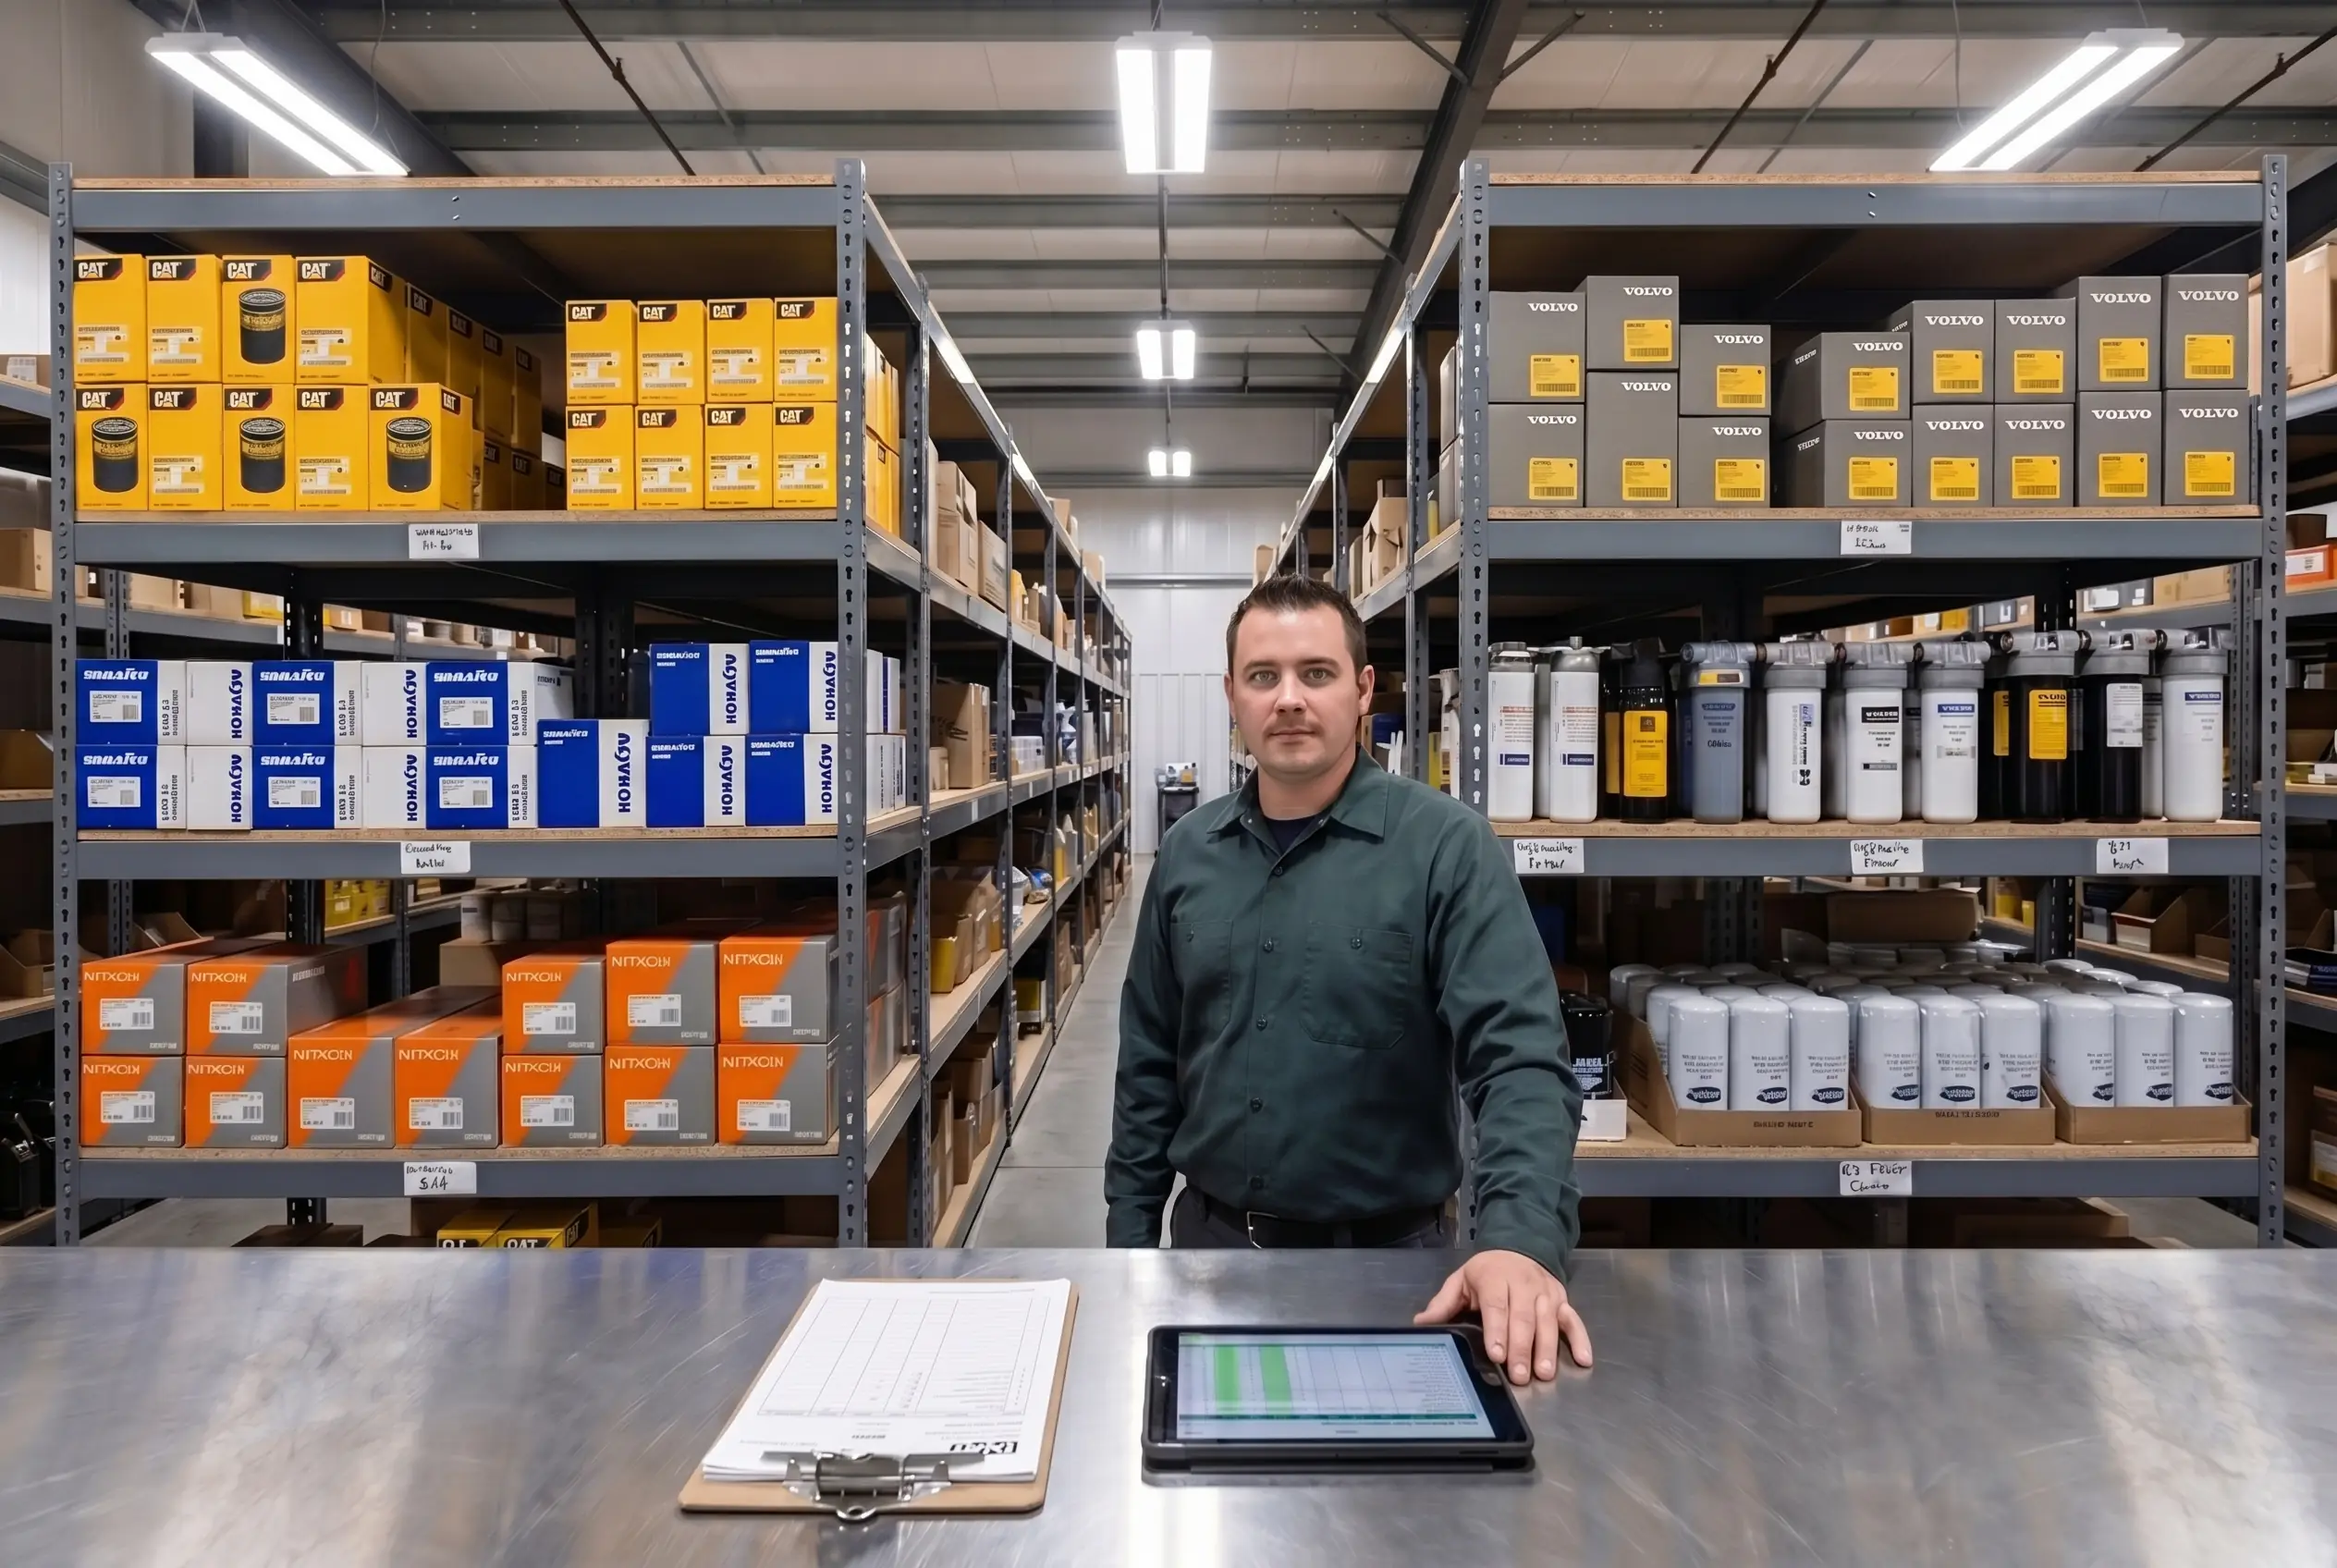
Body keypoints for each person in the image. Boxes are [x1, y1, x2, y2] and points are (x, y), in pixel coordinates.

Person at [1107, 573, 1591, 1385]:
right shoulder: (1188, 856)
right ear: (1232, 694)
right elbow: (1149, 1065)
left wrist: (1517, 1239)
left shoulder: (1445, 848)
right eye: (1263, 677)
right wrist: (1124, 1250)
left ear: (1364, 689)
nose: (1288, 699)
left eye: (1317, 673)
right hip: (1210, 1261)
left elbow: (1520, 1061)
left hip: (1398, 1275)